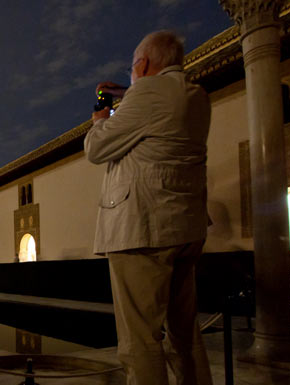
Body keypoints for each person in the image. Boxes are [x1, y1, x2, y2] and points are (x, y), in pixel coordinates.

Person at [85, 30, 212, 385]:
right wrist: (129, 95)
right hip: (186, 229)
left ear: (141, 64)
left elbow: (96, 149)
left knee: (139, 340)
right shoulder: (197, 95)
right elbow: (158, 117)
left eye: (132, 67)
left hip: (141, 230)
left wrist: (100, 118)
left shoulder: (147, 94)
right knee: (185, 335)